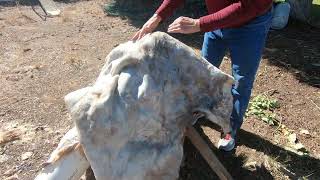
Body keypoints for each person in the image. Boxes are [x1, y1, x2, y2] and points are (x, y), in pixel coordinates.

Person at [132, 0, 273, 151]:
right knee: (201, 71)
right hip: (215, 23)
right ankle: (199, 108)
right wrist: (158, 16)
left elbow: (249, 5)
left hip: (249, 26)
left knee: (241, 81)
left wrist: (200, 24)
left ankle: (230, 128)